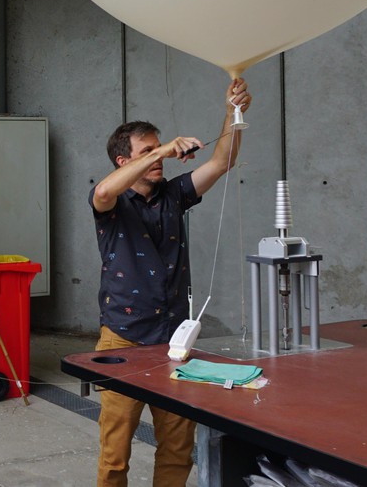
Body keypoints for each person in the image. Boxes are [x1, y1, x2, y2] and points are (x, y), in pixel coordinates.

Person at [88, 78, 251, 487]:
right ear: (124, 161)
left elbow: (221, 161)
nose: (159, 158)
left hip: (175, 343)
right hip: (122, 341)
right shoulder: (110, 202)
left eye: (159, 148)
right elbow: (104, 190)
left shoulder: (174, 194)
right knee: (114, 455)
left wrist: (234, 112)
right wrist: (163, 150)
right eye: (148, 151)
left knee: (178, 451)